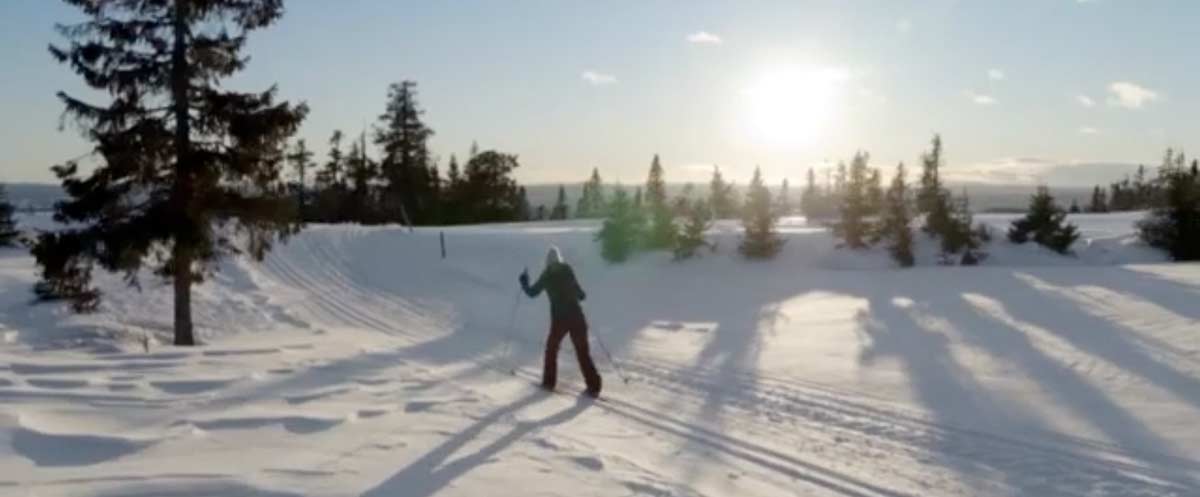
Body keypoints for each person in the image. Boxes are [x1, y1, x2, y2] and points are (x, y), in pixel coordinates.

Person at [519, 247, 602, 397]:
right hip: (577, 317)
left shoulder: (547, 275)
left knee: (552, 349)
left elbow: (532, 293)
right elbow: (579, 292)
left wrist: (524, 282)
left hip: (560, 320)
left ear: (547, 261)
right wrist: (580, 295)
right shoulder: (567, 269)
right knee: (582, 352)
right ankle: (594, 385)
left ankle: (549, 382)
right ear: (559, 258)